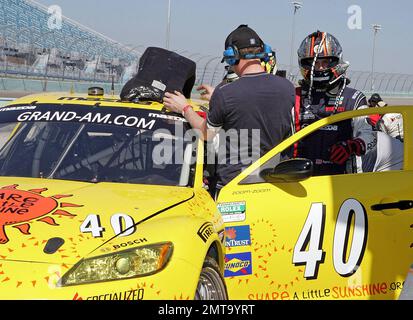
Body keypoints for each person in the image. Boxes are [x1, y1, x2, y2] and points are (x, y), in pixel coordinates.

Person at [163, 24, 295, 192]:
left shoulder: (225, 93)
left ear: (232, 56)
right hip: (274, 185)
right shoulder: (287, 88)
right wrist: (217, 99)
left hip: (235, 187)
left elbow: (206, 134)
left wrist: (184, 108)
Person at [293, 30, 376, 176]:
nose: (319, 68)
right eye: (314, 63)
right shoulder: (295, 96)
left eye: (325, 62)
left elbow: (370, 138)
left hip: (342, 181)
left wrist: (352, 146)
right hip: (301, 179)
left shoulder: (354, 98)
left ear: (336, 61)